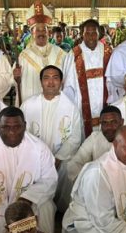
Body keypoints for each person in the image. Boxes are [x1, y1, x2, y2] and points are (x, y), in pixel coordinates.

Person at [0, 107, 58, 233]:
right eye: (6, 127)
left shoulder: (39, 149)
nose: (12, 132)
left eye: (17, 127)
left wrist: (26, 199)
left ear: (25, 126)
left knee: (47, 207)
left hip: (28, 206)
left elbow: (50, 180)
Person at [20, 65, 82, 211]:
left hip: (60, 160)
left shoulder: (71, 108)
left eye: (55, 78)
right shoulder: (28, 105)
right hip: (34, 159)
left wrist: (58, 158)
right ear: (41, 81)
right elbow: (21, 133)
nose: (51, 82)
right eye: (46, 78)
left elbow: (75, 138)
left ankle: (61, 210)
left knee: (69, 169)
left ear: (61, 81)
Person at [62, 19, 113, 137]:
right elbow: (68, 86)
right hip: (81, 107)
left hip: (104, 105)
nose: (91, 37)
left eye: (94, 33)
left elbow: (113, 81)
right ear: (82, 34)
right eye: (87, 33)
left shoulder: (108, 52)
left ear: (99, 34)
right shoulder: (74, 55)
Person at [14, 2, 68, 105]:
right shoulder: (24, 56)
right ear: (32, 33)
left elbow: (67, 79)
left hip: (55, 103)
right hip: (31, 104)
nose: (41, 33)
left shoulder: (60, 53)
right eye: (37, 30)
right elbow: (13, 81)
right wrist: (15, 77)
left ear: (49, 33)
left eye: (44, 29)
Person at [66, 105, 124, 184]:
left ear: (122, 122)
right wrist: (88, 183)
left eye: (114, 122)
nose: (109, 127)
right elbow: (75, 163)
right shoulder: (94, 138)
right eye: (104, 123)